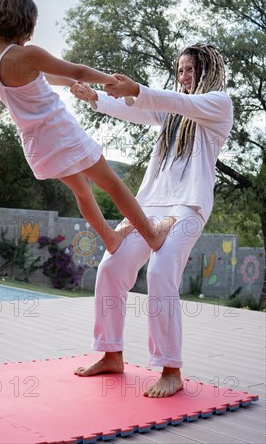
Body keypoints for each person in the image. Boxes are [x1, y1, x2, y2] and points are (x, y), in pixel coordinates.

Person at [70, 44, 233, 398]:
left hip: (188, 207)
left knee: (160, 272)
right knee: (111, 268)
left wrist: (138, 90)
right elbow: (135, 110)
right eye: (180, 70)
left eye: (190, 70)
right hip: (151, 207)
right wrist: (94, 96)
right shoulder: (170, 113)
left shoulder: (218, 103)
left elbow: (173, 102)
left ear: (207, 70)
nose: (184, 77)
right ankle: (112, 353)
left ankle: (170, 369)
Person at [0, 0, 174, 254]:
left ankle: (110, 239)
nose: (31, 34)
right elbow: (77, 69)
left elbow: (37, 79)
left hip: (37, 145)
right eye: (30, 26)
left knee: (82, 189)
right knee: (112, 184)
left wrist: (71, 84)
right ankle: (152, 235)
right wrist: (111, 82)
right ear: (20, 21)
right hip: (60, 133)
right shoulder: (28, 54)